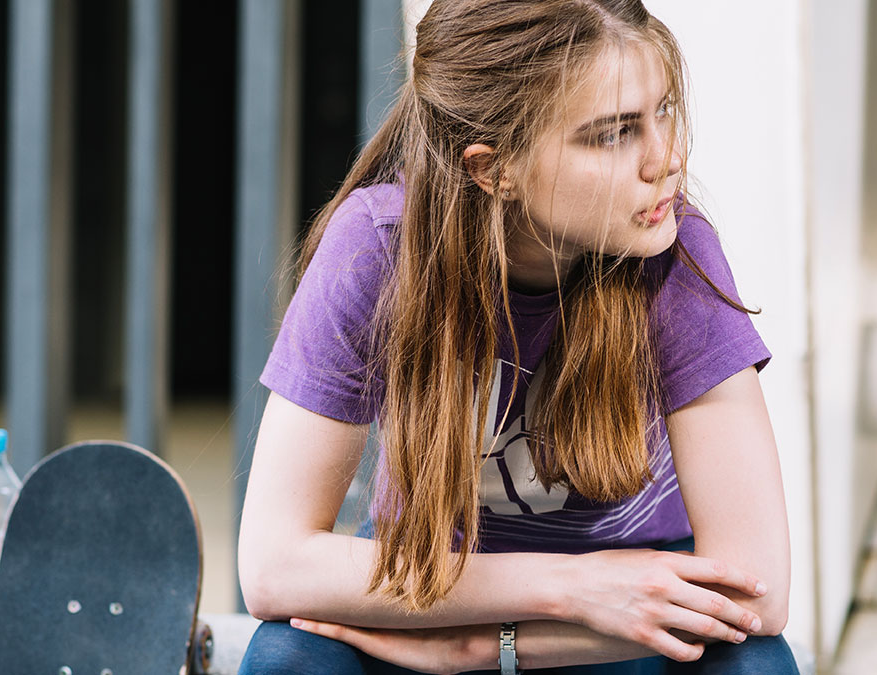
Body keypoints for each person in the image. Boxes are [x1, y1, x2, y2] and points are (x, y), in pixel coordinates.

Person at [236, 0, 797, 673]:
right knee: (288, 656)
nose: (667, 160)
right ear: (492, 168)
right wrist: (560, 590)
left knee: (754, 661)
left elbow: (755, 588)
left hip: (627, 619)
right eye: (614, 132)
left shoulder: (674, 253)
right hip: (435, 596)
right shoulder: (378, 252)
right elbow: (273, 563)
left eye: (665, 110)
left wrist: (491, 647)